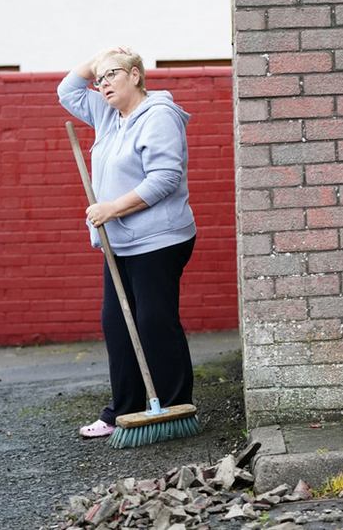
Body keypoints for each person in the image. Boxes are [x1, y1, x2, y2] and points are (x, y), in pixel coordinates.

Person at [58, 46, 196, 438]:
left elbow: (165, 178)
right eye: (99, 79)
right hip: (118, 242)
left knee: (153, 322)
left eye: (112, 75)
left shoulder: (159, 116)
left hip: (160, 238)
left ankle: (174, 405)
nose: (102, 85)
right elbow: (67, 91)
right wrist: (99, 56)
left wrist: (113, 207)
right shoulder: (108, 114)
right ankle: (124, 409)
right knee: (117, 324)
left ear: (136, 75)